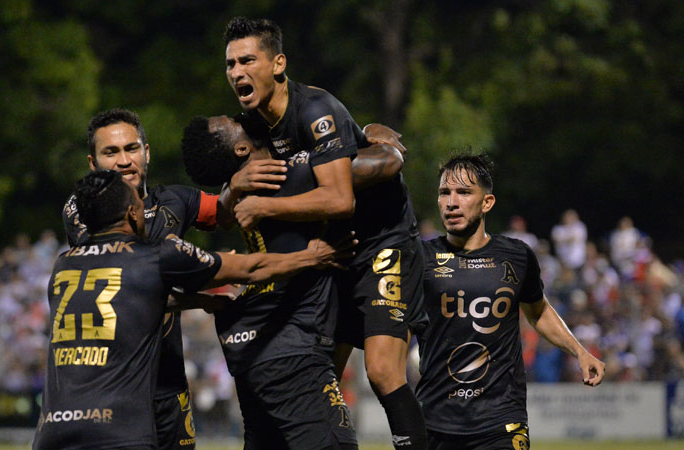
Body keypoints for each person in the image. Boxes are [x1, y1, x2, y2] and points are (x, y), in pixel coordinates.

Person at [220, 16, 429, 450]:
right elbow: (229, 195)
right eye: (230, 64)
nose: (237, 72)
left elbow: (339, 200)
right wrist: (233, 189)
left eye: (247, 60)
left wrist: (264, 205)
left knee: (382, 371)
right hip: (335, 250)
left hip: (382, 242)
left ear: (278, 64)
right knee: (318, 376)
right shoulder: (253, 125)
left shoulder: (315, 109)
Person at [34, 170, 353, 450]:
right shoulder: (155, 254)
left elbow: (133, 300)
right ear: (132, 213)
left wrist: (199, 300)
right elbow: (250, 268)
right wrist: (310, 257)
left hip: (53, 429)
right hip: (117, 429)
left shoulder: (64, 265)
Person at [416, 153, 606, 449]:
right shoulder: (420, 259)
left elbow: (538, 311)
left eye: (463, 192)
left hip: (502, 417)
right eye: (444, 192)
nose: (451, 202)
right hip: (436, 417)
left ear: (487, 202)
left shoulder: (516, 256)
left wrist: (579, 351)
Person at [62, 108, 225, 450]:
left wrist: (244, 181)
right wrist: (201, 293)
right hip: (110, 390)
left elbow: (232, 212)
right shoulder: (83, 213)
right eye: (111, 152)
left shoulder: (176, 201)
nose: (124, 161)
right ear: (93, 163)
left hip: (168, 386)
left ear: (146, 153)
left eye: (131, 148)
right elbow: (131, 288)